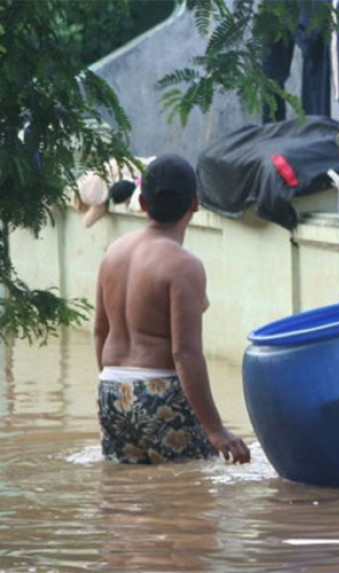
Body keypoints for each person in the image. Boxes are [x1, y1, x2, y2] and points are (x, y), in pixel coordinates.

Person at [94, 154, 250, 465]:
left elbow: (100, 330)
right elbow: (185, 353)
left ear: (142, 202)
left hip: (110, 388)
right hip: (159, 390)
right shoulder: (183, 266)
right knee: (190, 500)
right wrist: (216, 429)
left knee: (125, 498)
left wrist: (117, 386)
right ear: (195, 202)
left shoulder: (114, 252)